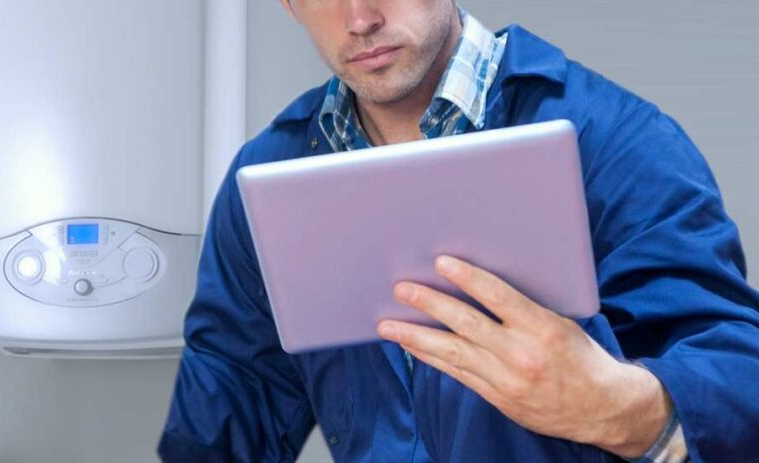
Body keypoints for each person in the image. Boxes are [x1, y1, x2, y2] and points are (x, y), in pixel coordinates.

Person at [157, 1, 759, 462]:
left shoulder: (619, 141)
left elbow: (740, 378)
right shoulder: (268, 178)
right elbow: (230, 401)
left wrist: (619, 410)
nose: (360, 19)